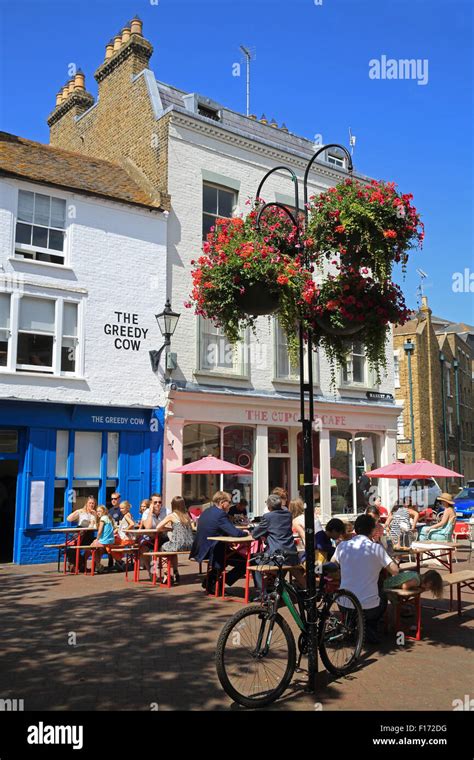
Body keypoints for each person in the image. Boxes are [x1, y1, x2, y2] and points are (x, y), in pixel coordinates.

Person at [331, 514, 400, 644]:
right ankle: (369, 628)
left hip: (344, 603)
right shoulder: (376, 548)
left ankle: (352, 626)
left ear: (355, 530)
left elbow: (332, 565)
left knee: (356, 603)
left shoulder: (342, 546)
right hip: (369, 608)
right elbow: (395, 571)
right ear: (373, 530)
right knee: (383, 594)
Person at [189, 491, 248, 594]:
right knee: (244, 563)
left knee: (225, 556)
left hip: (201, 548)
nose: (230, 505)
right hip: (213, 550)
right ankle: (218, 584)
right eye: (229, 502)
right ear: (222, 503)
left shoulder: (207, 511)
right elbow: (235, 533)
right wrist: (246, 533)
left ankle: (210, 581)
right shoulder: (221, 515)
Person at [252, 494, 304, 596]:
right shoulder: (288, 514)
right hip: (291, 553)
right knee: (289, 567)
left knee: (254, 562)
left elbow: (255, 534)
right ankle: (278, 588)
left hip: (277, 555)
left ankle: (262, 594)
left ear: (269, 506)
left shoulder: (268, 517)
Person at [156, 496, 194, 584]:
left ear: (173, 505)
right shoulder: (187, 515)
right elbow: (192, 527)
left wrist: (166, 528)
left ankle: (167, 575)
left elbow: (158, 527)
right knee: (172, 552)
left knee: (163, 548)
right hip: (189, 544)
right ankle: (176, 572)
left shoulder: (172, 516)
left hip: (178, 543)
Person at [66, 496, 98, 572]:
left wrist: (96, 516)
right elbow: (68, 519)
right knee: (73, 548)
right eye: (90, 503)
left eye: (93, 503)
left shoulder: (94, 513)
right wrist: (77, 512)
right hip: (81, 534)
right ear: (86, 504)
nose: (91, 505)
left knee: (97, 546)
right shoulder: (81, 512)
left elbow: (95, 526)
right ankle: (78, 565)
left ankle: (83, 565)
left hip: (89, 535)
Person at [139, 494, 166, 578]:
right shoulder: (146, 513)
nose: (158, 504)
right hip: (150, 538)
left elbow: (169, 525)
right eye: (155, 502)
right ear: (151, 503)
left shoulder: (166, 511)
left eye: (159, 502)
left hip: (162, 537)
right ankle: (152, 572)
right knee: (143, 550)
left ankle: (166, 574)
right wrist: (150, 512)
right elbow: (148, 527)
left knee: (164, 550)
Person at [111, 501, 136, 570]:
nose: (121, 510)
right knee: (113, 544)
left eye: (122, 508)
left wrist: (126, 531)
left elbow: (132, 524)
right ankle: (119, 561)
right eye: (120, 508)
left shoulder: (126, 516)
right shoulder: (129, 515)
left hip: (126, 539)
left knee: (109, 545)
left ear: (127, 508)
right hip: (128, 539)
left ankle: (120, 561)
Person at [90, 505, 116, 573]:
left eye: (100, 511)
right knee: (99, 550)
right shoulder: (108, 518)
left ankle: (97, 565)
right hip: (110, 541)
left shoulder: (103, 518)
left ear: (104, 512)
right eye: (97, 511)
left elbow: (100, 531)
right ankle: (98, 566)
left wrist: (97, 539)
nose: (98, 512)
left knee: (92, 547)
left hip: (105, 541)